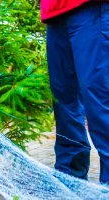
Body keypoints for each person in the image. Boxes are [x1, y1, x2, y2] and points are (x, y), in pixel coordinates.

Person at [41, 0, 109, 183]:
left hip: (94, 7)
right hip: (54, 12)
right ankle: (70, 179)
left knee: (100, 97)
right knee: (64, 101)